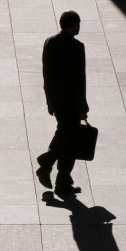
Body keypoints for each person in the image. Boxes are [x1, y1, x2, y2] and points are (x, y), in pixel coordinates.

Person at [35, 10, 88, 194]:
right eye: (78, 23)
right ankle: (50, 166)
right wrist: (83, 107)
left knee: (64, 136)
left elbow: (46, 74)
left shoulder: (50, 42)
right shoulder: (77, 47)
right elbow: (79, 80)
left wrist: (50, 101)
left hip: (57, 101)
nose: (79, 26)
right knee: (69, 141)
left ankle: (60, 178)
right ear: (73, 24)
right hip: (72, 103)